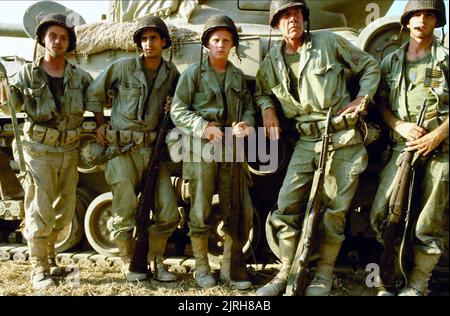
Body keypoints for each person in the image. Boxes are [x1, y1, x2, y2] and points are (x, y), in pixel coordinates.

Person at [255, 0, 380, 296]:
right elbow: (261, 91)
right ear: (276, 24)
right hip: (306, 140)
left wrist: (362, 98)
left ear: (304, 18)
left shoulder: (329, 42)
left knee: (334, 210)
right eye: (284, 16)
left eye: (296, 13)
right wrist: (267, 109)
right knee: (287, 205)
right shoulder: (272, 60)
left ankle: (323, 273)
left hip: (342, 137)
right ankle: (287, 271)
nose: (292, 19)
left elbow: (370, 65)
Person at [1, 13, 93, 290]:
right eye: (53, 36)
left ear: (69, 43)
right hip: (38, 149)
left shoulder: (81, 76)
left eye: (64, 37)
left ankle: (51, 258)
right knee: (40, 210)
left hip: (68, 148)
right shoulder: (27, 73)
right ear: (42, 39)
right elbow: (11, 107)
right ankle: (39, 267)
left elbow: (98, 101)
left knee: (64, 211)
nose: (58, 41)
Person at [87, 16, 180, 282]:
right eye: (144, 38)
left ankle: (155, 260)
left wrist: (172, 107)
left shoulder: (171, 73)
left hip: (152, 151)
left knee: (169, 212)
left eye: (154, 38)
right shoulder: (123, 67)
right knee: (124, 210)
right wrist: (100, 124)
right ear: (139, 43)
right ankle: (130, 261)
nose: (149, 43)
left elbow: (182, 105)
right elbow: (95, 93)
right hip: (122, 150)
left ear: (163, 41)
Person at [170, 15, 255, 289]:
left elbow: (250, 107)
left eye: (226, 40)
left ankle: (231, 269)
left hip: (231, 147)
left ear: (232, 45)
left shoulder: (238, 76)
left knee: (235, 206)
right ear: (207, 43)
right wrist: (203, 126)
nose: (220, 44)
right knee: (200, 207)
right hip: (201, 148)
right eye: (215, 40)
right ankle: (202, 268)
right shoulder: (192, 74)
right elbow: (178, 109)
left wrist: (247, 124)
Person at [370, 0, 448, 296]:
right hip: (403, 147)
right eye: (416, 14)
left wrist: (436, 136)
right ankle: (389, 275)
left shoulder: (446, 59)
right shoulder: (391, 60)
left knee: (428, 223)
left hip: (440, 149)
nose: (421, 20)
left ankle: (418, 283)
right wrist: (398, 125)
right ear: (406, 20)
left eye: (428, 15)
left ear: (436, 21)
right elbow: (380, 102)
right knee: (383, 213)